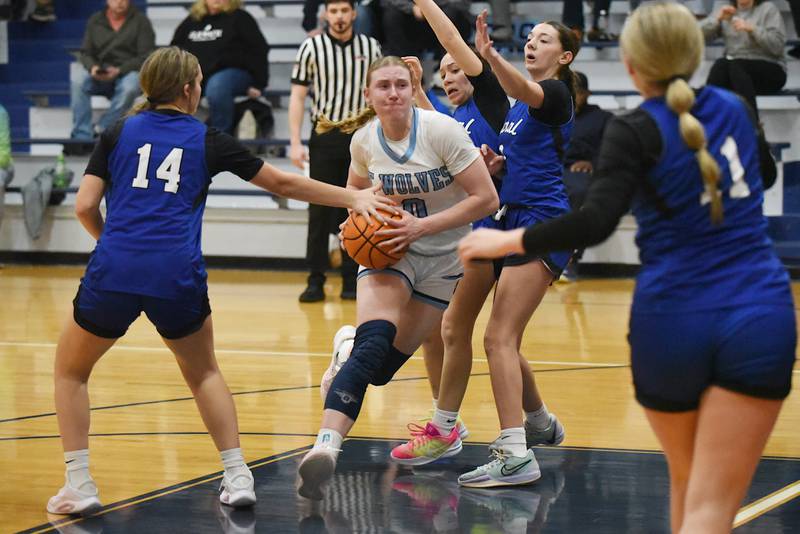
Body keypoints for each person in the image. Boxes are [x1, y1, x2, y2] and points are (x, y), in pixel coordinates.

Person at [459, 3, 794, 531]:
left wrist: (508, 241)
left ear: (633, 67)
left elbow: (595, 221)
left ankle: (525, 440)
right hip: (763, 313)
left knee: (689, 491)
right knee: (715, 505)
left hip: (676, 319)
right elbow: (766, 171)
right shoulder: (730, 105)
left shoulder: (634, 127)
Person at [46, 46, 393, 516]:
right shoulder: (208, 139)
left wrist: (115, 246)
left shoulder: (117, 130)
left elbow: (85, 206)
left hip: (114, 269)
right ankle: (237, 476)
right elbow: (285, 184)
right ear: (190, 89)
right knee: (204, 372)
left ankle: (79, 485)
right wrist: (354, 198)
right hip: (175, 273)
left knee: (71, 372)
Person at [391, 1, 577, 488]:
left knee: (499, 338)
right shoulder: (512, 109)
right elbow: (457, 50)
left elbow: (518, 85)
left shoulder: (556, 94)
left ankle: (516, 452)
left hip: (541, 223)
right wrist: (497, 163)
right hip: (501, 221)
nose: (534, 42)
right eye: (530, 37)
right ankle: (461, 427)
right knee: (455, 326)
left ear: (566, 56)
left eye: (544, 39)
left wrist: (490, 56)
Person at [297, 56, 498, 501]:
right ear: (369, 95)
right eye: (383, 86)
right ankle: (326, 448)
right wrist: (360, 224)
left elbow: (486, 198)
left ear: (412, 90)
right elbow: (356, 196)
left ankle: (345, 347)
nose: (392, 93)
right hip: (390, 254)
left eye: (400, 85)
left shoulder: (442, 132)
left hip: (441, 259)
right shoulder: (364, 142)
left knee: (381, 370)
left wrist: (422, 227)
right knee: (375, 342)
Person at [290, 0, 382, 302]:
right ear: (325, 14)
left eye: (344, 11)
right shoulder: (311, 47)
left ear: (353, 14)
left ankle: (352, 278)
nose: (339, 17)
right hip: (325, 134)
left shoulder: (371, 46)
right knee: (318, 209)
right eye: (334, 11)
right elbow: (298, 96)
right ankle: (315, 279)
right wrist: (294, 140)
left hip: (360, 135)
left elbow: (379, 93)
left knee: (358, 206)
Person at [68, 0, 155, 155]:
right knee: (77, 80)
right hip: (100, 70)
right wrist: (93, 68)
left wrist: (120, 70)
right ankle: (82, 136)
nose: (120, 2)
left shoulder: (141, 21)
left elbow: (146, 56)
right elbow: (86, 53)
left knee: (131, 85)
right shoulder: (95, 20)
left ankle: (103, 130)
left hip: (128, 70)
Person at [171, 0, 270, 135]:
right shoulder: (191, 21)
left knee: (217, 86)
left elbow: (259, 49)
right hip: (197, 75)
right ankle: (175, 136)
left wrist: (259, 83)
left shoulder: (241, 18)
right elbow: (175, 51)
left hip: (233, 74)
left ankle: (220, 139)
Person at [560, 70, 612, 280]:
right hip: (554, 169)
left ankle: (569, 259)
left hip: (583, 172)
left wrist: (592, 163)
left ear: (587, 94)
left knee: (578, 190)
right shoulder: (556, 116)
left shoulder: (603, 118)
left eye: (577, 92)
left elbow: (610, 149)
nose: (573, 97)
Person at [701, 0, 786, 120]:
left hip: (770, 68)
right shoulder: (726, 10)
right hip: (736, 71)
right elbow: (697, 35)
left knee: (735, 66)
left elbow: (777, 47)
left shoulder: (768, 9)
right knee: (720, 65)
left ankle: (753, 128)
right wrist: (716, 19)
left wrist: (753, 29)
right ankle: (707, 125)